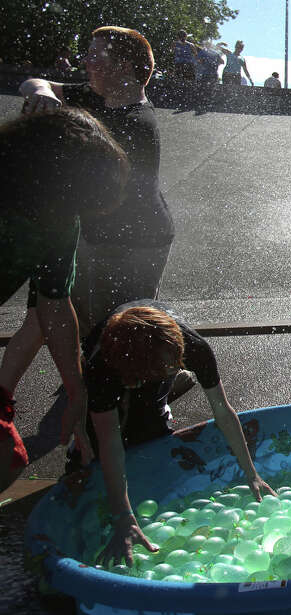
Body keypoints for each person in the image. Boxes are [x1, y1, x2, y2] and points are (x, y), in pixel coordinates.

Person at [6, 26, 175, 413]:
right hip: (91, 235)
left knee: (121, 327)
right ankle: (10, 396)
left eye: (97, 55)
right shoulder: (99, 97)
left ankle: (147, 397)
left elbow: (81, 187)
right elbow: (35, 81)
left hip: (134, 244)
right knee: (46, 316)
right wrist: (43, 91)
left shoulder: (135, 124)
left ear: (126, 67)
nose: (86, 61)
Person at [70, 302, 275, 565]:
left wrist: (252, 474)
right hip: (119, 363)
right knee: (97, 448)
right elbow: (109, 441)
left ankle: (157, 401)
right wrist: (123, 517)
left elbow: (223, 412)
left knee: (148, 436)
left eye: (171, 368)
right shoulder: (103, 367)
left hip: (152, 359)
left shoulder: (194, 348)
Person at [0, 108, 129, 493]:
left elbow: (54, 307)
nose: (71, 214)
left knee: (9, 460)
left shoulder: (57, 220)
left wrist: (77, 393)